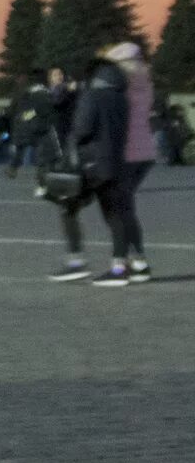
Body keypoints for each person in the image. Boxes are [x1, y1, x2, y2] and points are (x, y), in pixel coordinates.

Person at [61, 40, 157, 284]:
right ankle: (137, 262)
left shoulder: (120, 86)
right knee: (124, 210)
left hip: (123, 153)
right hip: (140, 152)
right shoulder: (141, 81)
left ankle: (121, 265)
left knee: (116, 210)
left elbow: (87, 123)